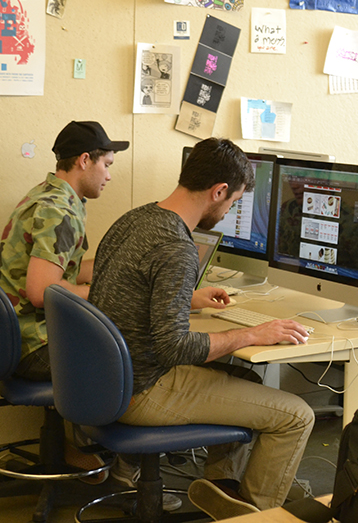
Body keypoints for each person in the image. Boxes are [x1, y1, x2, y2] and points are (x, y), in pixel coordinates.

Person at [88, 137, 315, 519]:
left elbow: (121, 290)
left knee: (248, 380)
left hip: (103, 378)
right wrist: (252, 334)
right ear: (219, 191)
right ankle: (255, 516)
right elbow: (174, 349)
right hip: (143, 390)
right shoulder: (177, 248)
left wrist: (185, 298)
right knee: (297, 415)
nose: (229, 211)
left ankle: (222, 489)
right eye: (233, 201)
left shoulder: (136, 218)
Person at [0, 121, 127, 381]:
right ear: (84, 160)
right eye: (107, 165)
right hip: (34, 345)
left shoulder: (47, 194)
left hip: (16, 337)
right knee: (132, 359)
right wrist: (103, 294)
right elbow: (42, 291)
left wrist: (118, 271)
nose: (109, 176)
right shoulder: (60, 211)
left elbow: (62, 270)